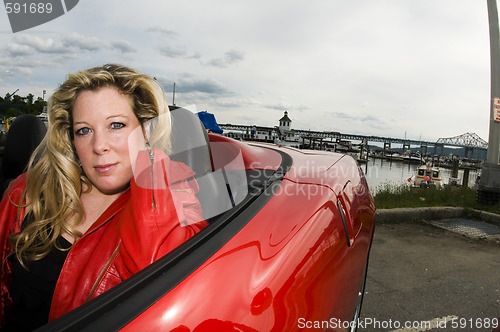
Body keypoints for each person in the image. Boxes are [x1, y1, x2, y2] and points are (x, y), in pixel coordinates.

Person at [0, 64, 208, 330]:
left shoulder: (175, 197)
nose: (99, 146)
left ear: (145, 130)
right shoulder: (28, 192)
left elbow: (170, 294)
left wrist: (151, 167)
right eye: (84, 130)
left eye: (116, 125)